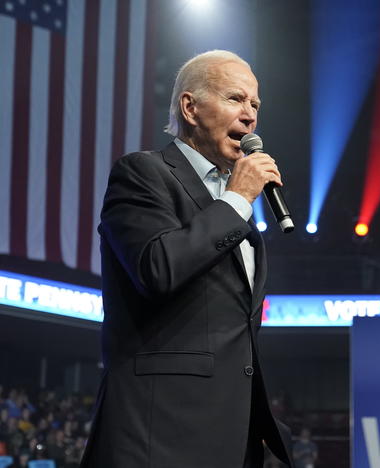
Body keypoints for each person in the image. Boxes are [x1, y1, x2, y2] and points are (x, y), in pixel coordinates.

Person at [79, 50, 293, 468]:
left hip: (232, 441)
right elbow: (157, 268)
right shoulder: (144, 173)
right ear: (190, 107)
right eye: (235, 99)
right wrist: (237, 199)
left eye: (255, 104)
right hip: (158, 437)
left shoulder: (236, 205)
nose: (250, 115)